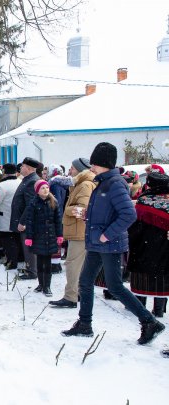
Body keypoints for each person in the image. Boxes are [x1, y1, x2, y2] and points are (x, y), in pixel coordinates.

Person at [62, 142, 165, 345]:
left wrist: (106, 235)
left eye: (94, 164)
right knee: (85, 281)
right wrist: (88, 217)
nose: (91, 167)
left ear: (104, 164)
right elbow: (106, 211)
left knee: (115, 286)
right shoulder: (102, 182)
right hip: (96, 242)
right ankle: (84, 324)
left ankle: (149, 321)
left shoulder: (115, 183)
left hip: (109, 244)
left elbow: (128, 214)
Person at [49, 158, 95, 308]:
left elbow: (83, 210)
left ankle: (71, 297)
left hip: (80, 230)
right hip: (79, 229)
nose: (69, 171)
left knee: (73, 265)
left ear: (80, 170)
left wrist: (65, 210)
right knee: (78, 265)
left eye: (72, 168)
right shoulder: (80, 184)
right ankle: (77, 293)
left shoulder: (85, 185)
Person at [128, 172, 169, 318]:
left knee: (142, 276)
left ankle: (140, 306)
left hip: (143, 246)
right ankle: (159, 309)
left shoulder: (143, 201)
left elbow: (134, 226)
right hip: (165, 246)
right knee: (163, 277)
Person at [22, 180, 63, 297]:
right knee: (40, 261)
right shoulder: (33, 203)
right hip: (38, 235)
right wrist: (29, 237)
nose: (45, 190)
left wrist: (59, 235)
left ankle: (47, 285)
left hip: (50, 234)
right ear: (37, 191)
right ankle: (41, 284)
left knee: (48, 262)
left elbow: (58, 220)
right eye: (42, 188)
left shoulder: (53, 202)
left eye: (46, 187)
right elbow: (30, 221)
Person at [11, 157, 41, 280]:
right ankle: (30, 268)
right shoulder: (27, 179)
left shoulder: (32, 181)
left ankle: (32, 271)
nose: (20, 168)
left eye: (22, 166)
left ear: (28, 168)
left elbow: (30, 204)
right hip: (25, 220)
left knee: (29, 247)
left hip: (28, 222)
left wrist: (23, 221)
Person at [0, 163, 21, 270]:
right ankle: (19, 259)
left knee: (8, 241)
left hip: (5, 216)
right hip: (18, 216)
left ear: (4, 172)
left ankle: (11, 261)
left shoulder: (2, 186)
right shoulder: (20, 182)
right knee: (17, 239)